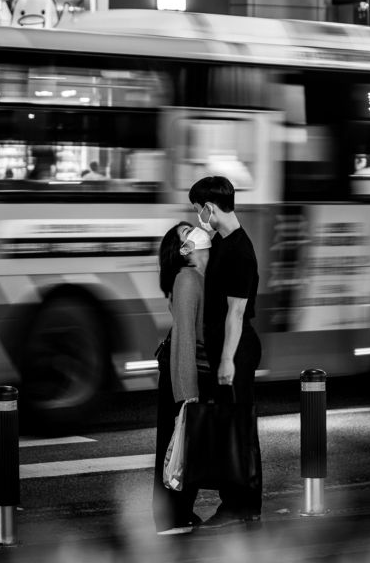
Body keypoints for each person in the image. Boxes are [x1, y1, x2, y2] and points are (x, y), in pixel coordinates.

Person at [188, 175, 262, 528]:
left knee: (240, 430)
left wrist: (227, 360)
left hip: (238, 349)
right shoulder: (221, 242)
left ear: (209, 208)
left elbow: (236, 311)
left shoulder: (240, 251)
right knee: (229, 428)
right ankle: (234, 503)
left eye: (197, 210)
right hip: (226, 346)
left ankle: (244, 505)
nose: (198, 216)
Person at [153, 221, 212, 535]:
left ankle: (178, 514)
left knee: (183, 447)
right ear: (181, 250)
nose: (195, 232)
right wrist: (188, 394)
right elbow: (186, 338)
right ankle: (171, 517)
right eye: (186, 233)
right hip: (182, 372)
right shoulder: (187, 278)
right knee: (175, 445)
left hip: (189, 370)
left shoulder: (198, 275)